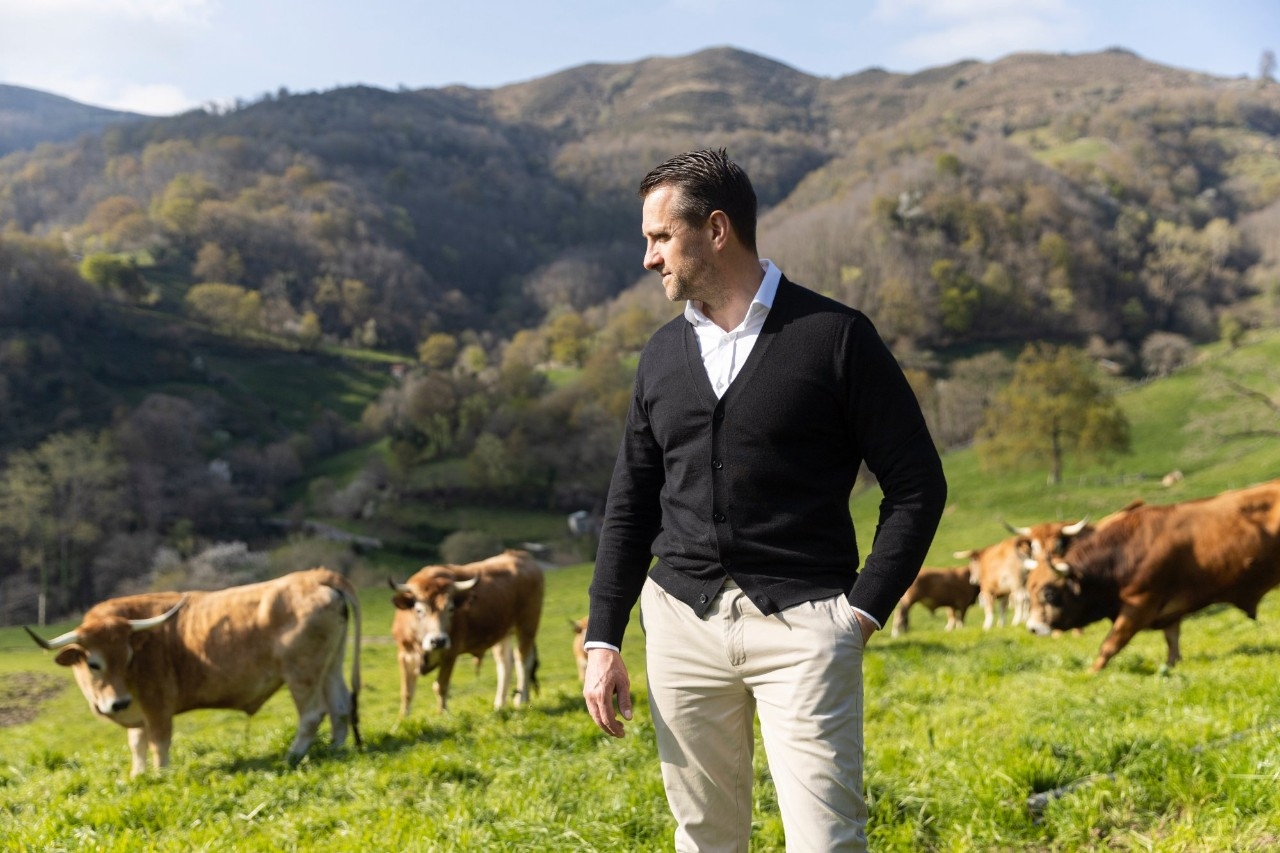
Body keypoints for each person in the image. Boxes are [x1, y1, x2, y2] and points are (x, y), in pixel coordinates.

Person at [582, 148, 948, 852]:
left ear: (716, 229)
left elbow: (917, 485)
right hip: (682, 626)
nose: (648, 258)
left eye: (659, 238)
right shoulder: (661, 355)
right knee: (705, 840)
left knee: (826, 839)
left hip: (806, 627)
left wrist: (860, 613)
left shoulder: (835, 338)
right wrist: (604, 637)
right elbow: (630, 502)